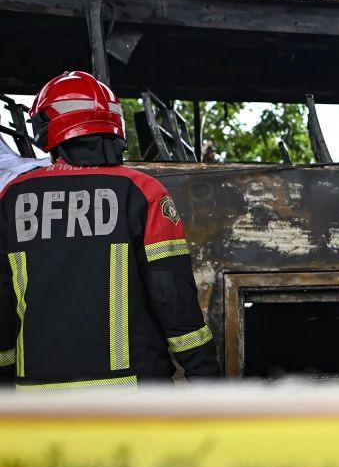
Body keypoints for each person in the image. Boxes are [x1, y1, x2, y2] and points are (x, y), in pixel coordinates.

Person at [0, 71, 220, 390]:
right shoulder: (143, 193)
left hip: (39, 404)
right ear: (113, 128)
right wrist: (207, 381)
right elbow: (173, 299)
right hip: (132, 402)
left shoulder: (12, 199)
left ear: (48, 128)